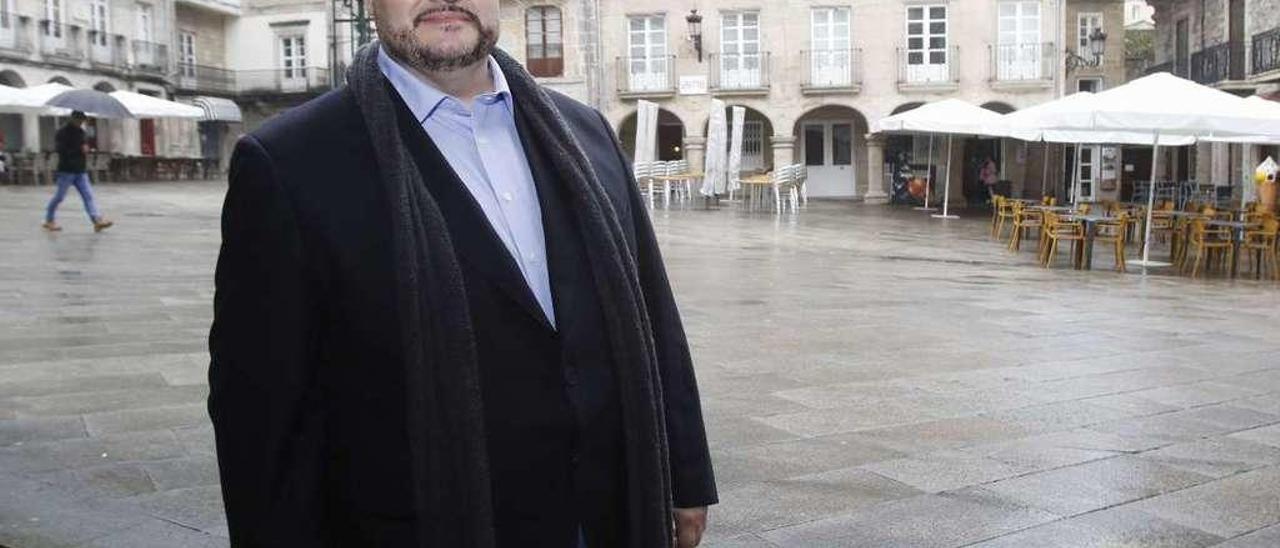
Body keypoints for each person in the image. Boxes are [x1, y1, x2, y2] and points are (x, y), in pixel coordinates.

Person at [207, 0, 717, 546]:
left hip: (610, 513)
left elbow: (654, 314)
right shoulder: (289, 161)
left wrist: (685, 472)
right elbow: (261, 413)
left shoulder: (585, 132)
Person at [44, 111, 112, 232]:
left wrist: (86, 149)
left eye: (82, 120)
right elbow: (61, 150)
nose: (81, 123)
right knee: (59, 197)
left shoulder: (81, 132)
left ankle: (96, 220)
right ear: (72, 118)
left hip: (80, 170)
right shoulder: (62, 133)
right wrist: (79, 149)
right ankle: (49, 220)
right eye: (79, 120)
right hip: (66, 170)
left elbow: (83, 147)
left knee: (88, 196)